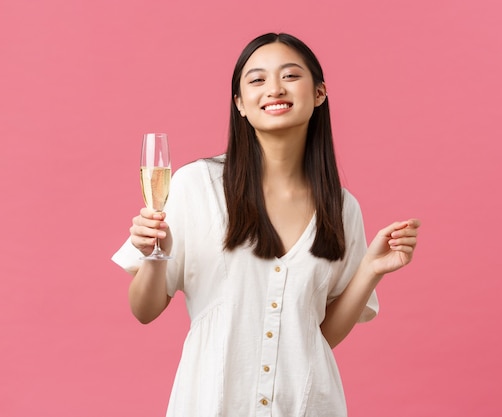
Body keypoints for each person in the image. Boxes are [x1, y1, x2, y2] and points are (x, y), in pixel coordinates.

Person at [112, 32, 420, 417]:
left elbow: (316, 336)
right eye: (257, 80)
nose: (274, 89)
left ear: (320, 93)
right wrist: (154, 254)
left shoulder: (342, 208)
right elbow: (144, 310)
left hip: (308, 405)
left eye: (290, 76)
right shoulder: (197, 186)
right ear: (240, 104)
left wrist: (371, 270)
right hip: (212, 404)